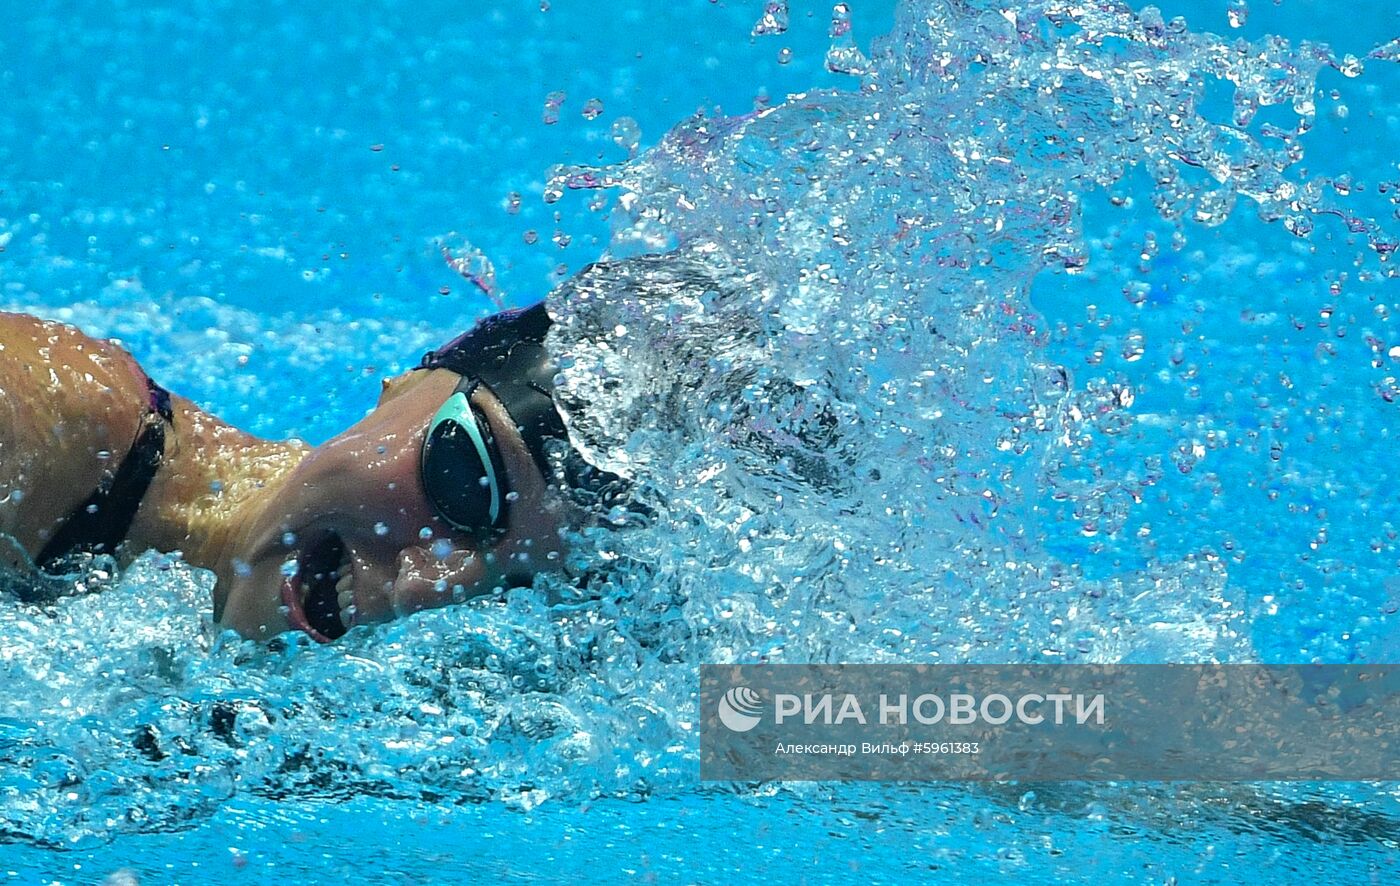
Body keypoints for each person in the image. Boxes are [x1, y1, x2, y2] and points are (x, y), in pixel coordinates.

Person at [0, 302, 604, 642]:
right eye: (459, 480)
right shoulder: (56, 429)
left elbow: (700, 742)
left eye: (515, 589)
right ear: (407, 386)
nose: (428, 586)